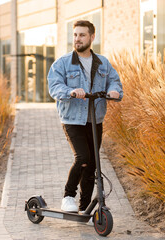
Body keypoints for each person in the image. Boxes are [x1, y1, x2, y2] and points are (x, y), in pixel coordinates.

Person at [47, 20, 123, 213]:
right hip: (73, 119)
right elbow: (54, 87)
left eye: (82, 35)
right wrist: (71, 91)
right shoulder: (63, 63)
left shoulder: (102, 62)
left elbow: (114, 81)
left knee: (92, 164)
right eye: (75, 35)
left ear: (91, 37)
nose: (77, 39)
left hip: (95, 119)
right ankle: (68, 196)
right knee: (83, 157)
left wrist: (114, 91)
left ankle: (84, 208)